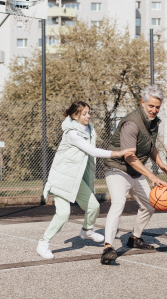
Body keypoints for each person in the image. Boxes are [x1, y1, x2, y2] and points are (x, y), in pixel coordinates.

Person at [37, 101, 136, 259]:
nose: (88, 116)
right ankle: (43, 243)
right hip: (62, 177)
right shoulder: (72, 133)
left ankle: (86, 231)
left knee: (94, 207)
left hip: (75, 179)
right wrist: (118, 153)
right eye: (84, 113)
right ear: (74, 116)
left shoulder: (89, 129)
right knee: (63, 214)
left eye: (89, 112)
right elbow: (92, 151)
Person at [101, 85, 167, 265]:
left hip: (135, 170)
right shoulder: (131, 123)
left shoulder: (154, 122)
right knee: (119, 203)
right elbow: (129, 156)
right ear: (143, 103)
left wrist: (161, 164)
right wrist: (152, 176)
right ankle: (108, 246)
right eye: (151, 106)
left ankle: (134, 238)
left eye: (157, 107)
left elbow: (150, 146)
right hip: (118, 168)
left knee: (149, 205)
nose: (154, 110)